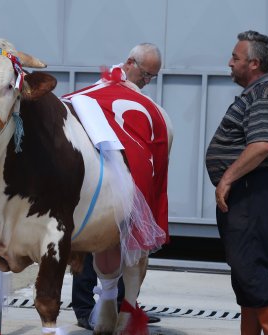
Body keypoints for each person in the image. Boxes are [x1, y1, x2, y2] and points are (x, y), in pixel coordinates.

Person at [71, 42, 164, 330]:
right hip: (95, 180)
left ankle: (120, 302)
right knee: (90, 243)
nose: (147, 82)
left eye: (152, 78)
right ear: (130, 63)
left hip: (121, 178)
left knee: (124, 241)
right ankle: (86, 307)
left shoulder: (132, 99)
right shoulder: (99, 91)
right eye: (145, 75)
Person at [205, 30, 268, 335]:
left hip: (252, 193)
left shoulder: (263, 95)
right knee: (243, 273)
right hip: (247, 194)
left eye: (235, 58)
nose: (230, 62)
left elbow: (262, 144)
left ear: (253, 63)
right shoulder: (256, 93)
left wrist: (226, 178)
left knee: (250, 270)